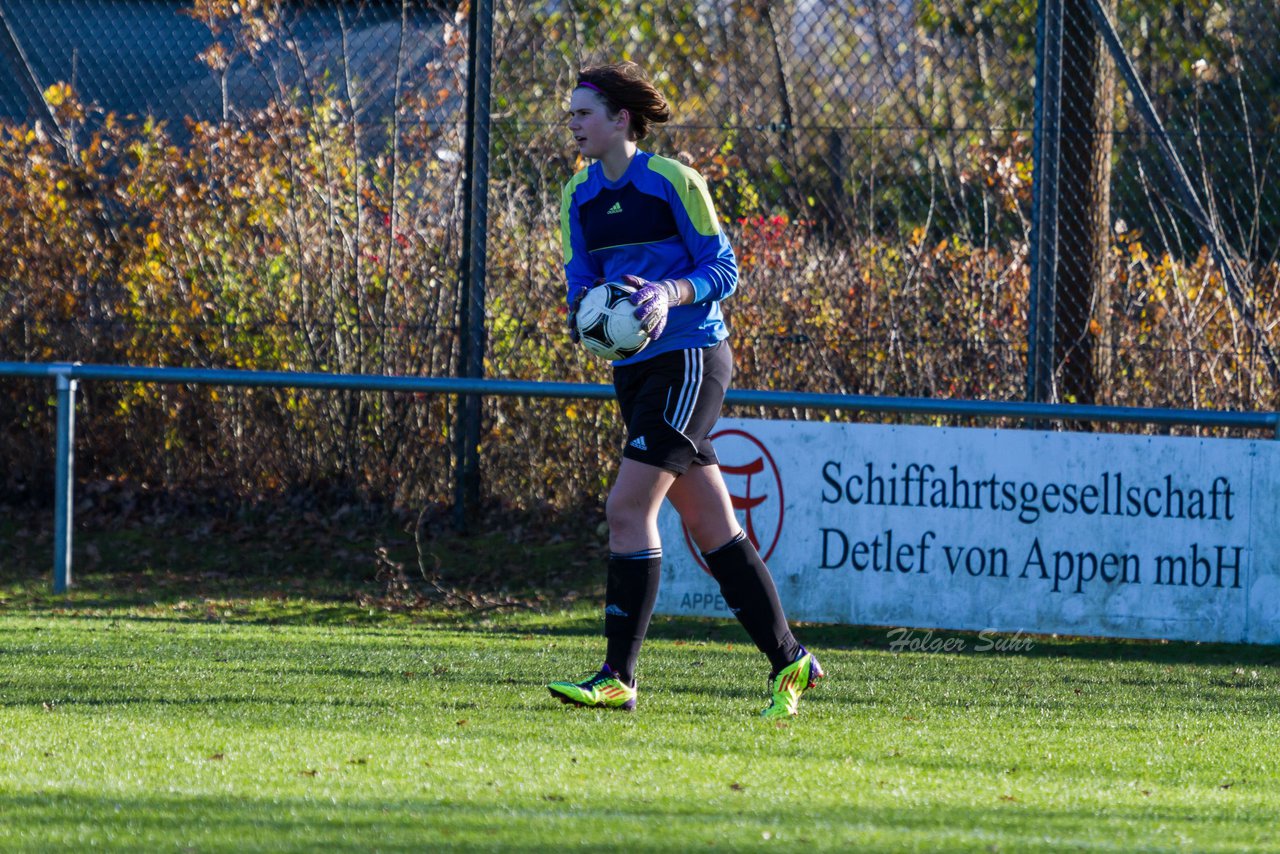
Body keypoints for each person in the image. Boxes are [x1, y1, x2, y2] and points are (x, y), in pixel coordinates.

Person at [547, 62, 823, 718]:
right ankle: (792, 661)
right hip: (634, 369)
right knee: (710, 524)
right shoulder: (576, 196)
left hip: (691, 357)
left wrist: (668, 293)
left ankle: (619, 675)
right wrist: (591, 317)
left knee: (626, 508)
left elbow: (723, 268)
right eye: (571, 114)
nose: (573, 124)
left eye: (584, 112)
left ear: (621, 120)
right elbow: (579, 283)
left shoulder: (675, 181)